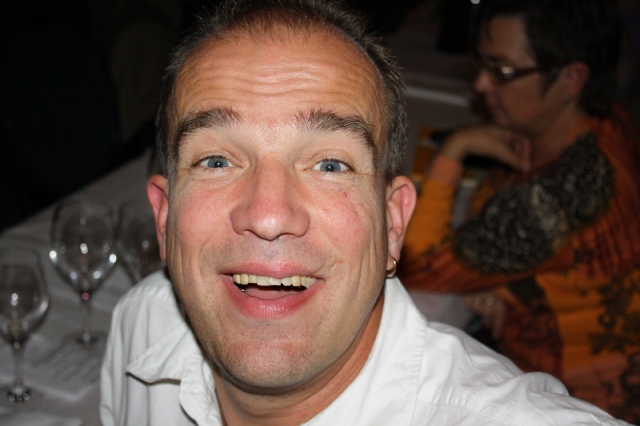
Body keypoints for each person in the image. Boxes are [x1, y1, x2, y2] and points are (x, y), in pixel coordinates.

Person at [100, 0, 630, 424]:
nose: (268, 215)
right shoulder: (140, 325)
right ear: (163, 217)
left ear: (394, 224)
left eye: (330, 164)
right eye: (216, 160)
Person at [400, 0, 640, 422]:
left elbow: (416, 262)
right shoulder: (601, 125)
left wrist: (455, 150)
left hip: (571, 399)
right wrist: (504, 283)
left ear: (572, 78)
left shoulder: (566, 189)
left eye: (504, 71)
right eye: (483, 64)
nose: (481, 83)